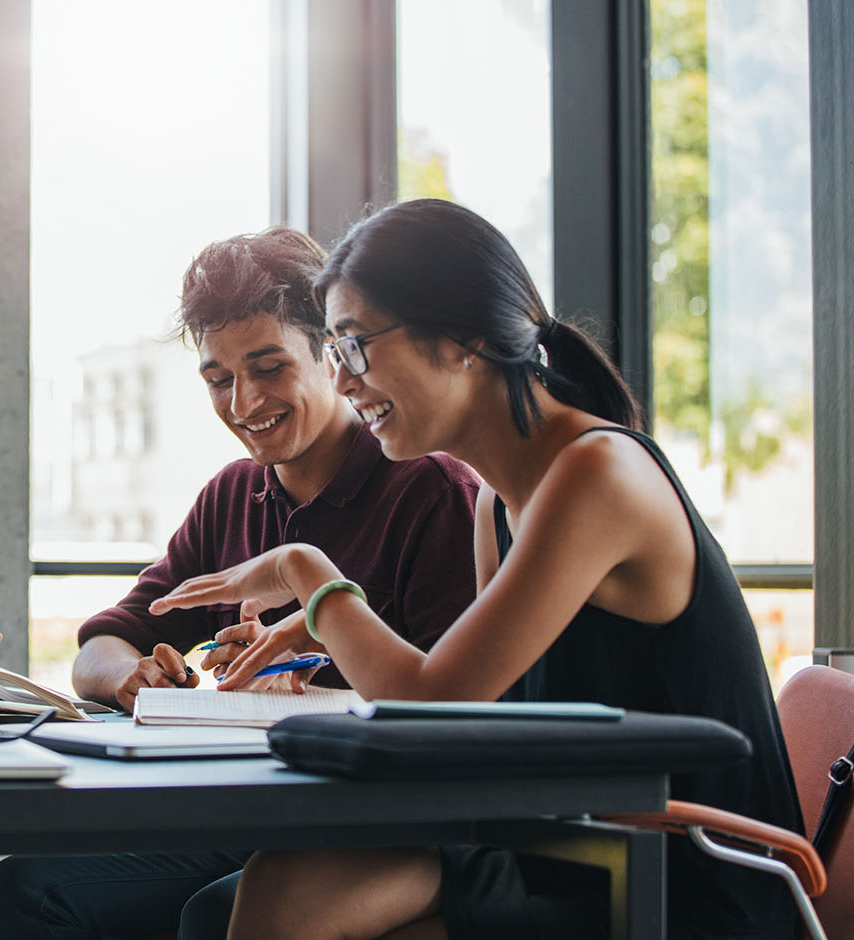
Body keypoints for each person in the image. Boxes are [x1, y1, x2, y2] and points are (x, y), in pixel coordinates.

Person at [150, 199, 802, 939]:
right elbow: (472, 719)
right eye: (334, 351)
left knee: (277, 904)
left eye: (356, 346)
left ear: (465, 339)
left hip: (682, 877)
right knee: (267, 890)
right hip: (571, 844)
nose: (344, 379)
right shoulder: (498, 502)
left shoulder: (597, 474)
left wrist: (309, 574)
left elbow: (431, 702)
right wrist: (326, 626)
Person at [0, 226, 482, 940]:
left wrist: (309, 692)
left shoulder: (429, 489)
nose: (243, 404)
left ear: (331, 356)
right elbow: (102, 643)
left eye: (269, 369)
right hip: (256, 818)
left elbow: (451, 716)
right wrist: (133, 677)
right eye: (218, 379)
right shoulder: (233, 495)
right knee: (21, 893)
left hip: (386, 830)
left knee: (215, 914)